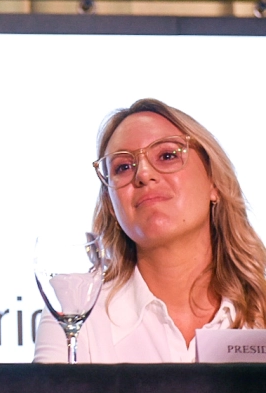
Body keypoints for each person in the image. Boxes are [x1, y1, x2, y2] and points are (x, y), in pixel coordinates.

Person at [34, 98, 266, 363]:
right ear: (111, 204)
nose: (143, 174)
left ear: (214, 182)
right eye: (123, 167)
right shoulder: (76, 313)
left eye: (167, 156)